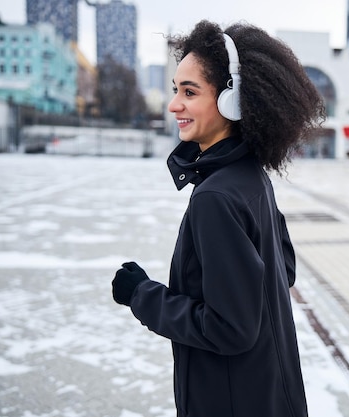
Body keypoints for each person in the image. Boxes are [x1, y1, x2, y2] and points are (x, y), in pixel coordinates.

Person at [111, 20, 325, 417]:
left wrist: (142, 294)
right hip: (273, 395)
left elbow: (231, 328)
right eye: (176, 90)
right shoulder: (250, 176)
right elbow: (284, 270)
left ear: (233, 100)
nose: (175, 104)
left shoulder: (215, 197)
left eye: (190, 92)